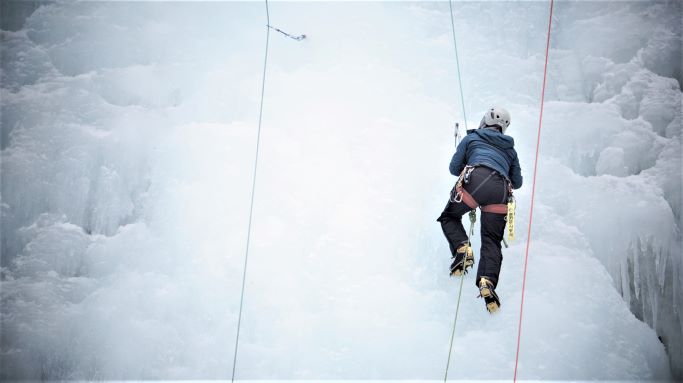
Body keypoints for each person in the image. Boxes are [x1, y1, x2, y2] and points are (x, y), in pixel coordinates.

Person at [437, 106, 522, 313]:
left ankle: (462, 248)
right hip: (501, 191)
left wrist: (470, 156)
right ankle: (487, 281)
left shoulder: (471, 138)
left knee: (449, 217)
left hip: (475, 180)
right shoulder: (510, 150)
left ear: (485, 120)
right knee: (492, 241)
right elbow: (517, 182)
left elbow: (453, 168)